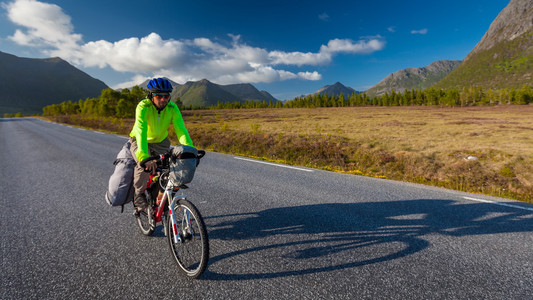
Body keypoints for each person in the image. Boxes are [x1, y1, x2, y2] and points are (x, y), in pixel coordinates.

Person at [129, 77, 194, 210]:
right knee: (144, 166)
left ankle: (160, 196)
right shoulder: (143, 106)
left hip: (161, 142)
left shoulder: (172, 107)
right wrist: (143, 156)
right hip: (140, 140)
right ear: (151, 95)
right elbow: (141, 130)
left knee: (169, 169)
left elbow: (181, 129)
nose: (164, 99)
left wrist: (189, 149)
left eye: (167, 96)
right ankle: (138, 194)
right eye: (159, 96)